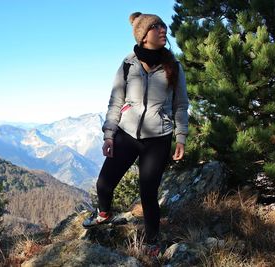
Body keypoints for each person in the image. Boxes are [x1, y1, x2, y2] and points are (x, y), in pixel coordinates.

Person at [82, 12, 189, 254]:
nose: (163, 30)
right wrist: (109, 134)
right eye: (156, 27)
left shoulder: (173, 67)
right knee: (104, 184)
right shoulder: (128, 65)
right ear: (143, 36)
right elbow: (115, 102)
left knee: (148, 193)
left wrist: (181, 136)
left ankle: (152, 242)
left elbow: (181, 105)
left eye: (163, 26)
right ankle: (104, 215)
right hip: (126, 134)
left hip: (158, 139)